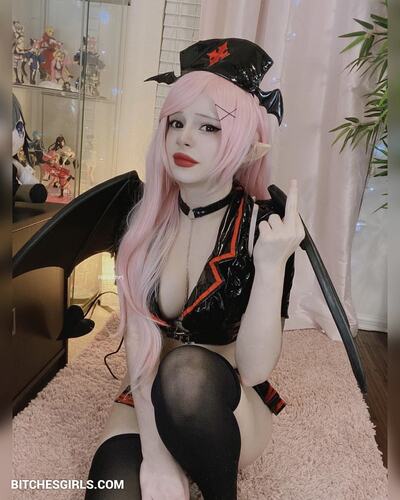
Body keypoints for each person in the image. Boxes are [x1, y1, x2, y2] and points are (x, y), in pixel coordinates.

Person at [85, 38, 305, 500]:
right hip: (146, 388)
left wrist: (269, 268)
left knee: (185, 373)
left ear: (249, 148)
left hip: (221, 401)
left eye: (210, 127)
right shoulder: (143, 220)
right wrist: (157, 459)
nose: (184, 138)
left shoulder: (262, 226)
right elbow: (141, 344)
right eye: (177, 122)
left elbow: (255, 369)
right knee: (112, 488)